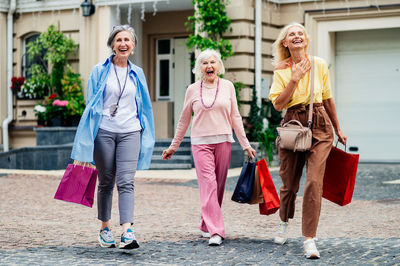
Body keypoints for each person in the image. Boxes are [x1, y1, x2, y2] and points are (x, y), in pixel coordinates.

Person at [71, 24, 155, 249]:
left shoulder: (137, 73)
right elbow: (91, 104)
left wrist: (146, 132)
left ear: (133, 45)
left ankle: (127, 231)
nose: (123, 44)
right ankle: (105, 228)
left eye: (127, 40)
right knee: (106, 181)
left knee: (126, 182)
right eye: (118, 40)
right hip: (104, 132)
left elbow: (144, 106)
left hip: (130, 131)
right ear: (112, 45)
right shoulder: (100, 70)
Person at [269, 22, 347, 259]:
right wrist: (294, 78)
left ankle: (309, 238)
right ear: (285, 42)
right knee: (289, 184)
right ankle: (284, 220)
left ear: (306, 39)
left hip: (320, 124)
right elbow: (278, 104)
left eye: (300, 33)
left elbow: (328, 98)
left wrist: (338, 128)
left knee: (314, 182)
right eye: (291, 34)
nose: (296, 36)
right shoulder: (281, 70)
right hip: (293, 124)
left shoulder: (320, 64)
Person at [162, 49, 256, 246]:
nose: (209, 66)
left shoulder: (228, 87)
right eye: (205, 63)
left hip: (223, 141)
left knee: (218, 187)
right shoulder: (193, 90)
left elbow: (235, 117)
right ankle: (217, 231)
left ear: (219, 65)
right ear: (199, 68)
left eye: (213, 62)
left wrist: (245, 144)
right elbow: (184, 120)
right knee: (209, 186)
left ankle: (206, 224)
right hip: (200, 143)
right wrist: (173, 146)